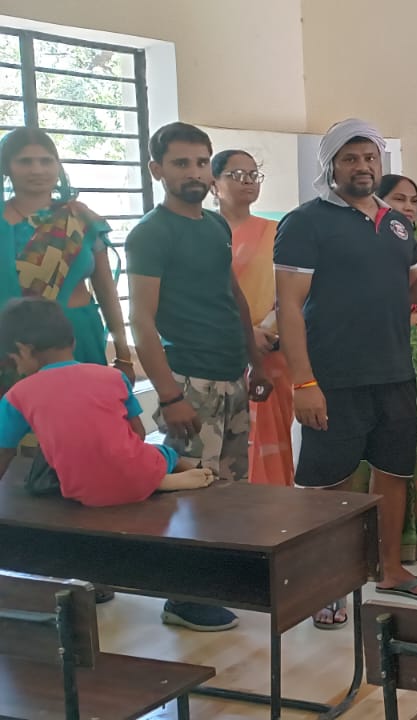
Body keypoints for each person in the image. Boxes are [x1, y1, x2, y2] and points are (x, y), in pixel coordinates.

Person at [275, 119, 417, 629]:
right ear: (330, 166)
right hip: (334, 377)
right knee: (328, 485)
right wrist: (303, 383)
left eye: (369, 158)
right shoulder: (305, 223)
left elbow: (415, 289)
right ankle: (325, 583)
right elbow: (289, 306)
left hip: (394, 374)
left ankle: (389, 570)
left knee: (394, 474)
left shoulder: (396, 225)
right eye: (350, 158)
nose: (362, 167)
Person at [126, 122, 266, 632]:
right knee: (191, 488)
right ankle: (183, 597)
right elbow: (142, 321)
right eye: (181, 163)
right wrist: (169, 396)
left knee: (230, 486)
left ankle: (219, 578)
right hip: (189, 381)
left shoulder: (214, 226)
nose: (194, 173)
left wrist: (255, 361)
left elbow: (233, 297)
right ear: (156, 170)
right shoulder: (150, 233)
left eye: (202, 163)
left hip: (232, 374)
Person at [0, 297, 214, 506]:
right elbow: (138, 433)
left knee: (57, 464)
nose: (17, 369)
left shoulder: (17, 395)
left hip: (83, 490)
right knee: (165, 453)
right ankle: (166, 478)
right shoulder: (113, 376)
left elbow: (3, 453)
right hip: (136, 472)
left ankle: (145, 480)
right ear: (73, 342)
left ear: (23, 350)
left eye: (13, 361)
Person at [343, 174, 417, 563]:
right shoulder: (360, 240)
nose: (408, 207)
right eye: (399, 199)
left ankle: (416, 538)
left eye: (414, 200)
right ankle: (365, 538)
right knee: (370, 435)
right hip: (371, 349)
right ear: (378, 202)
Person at [0, 129, 134, 379]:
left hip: (78, 337)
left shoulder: (81, 219)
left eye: (46, 161)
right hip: (13, 345)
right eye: (25, 161)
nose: (37, 170)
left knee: (82, 402)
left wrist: (123, 354)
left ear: (58, 165)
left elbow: (106, 292)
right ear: (7, 167)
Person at [215, 149, 293, 486]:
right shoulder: (205, 233)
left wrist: (266, 331)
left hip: (271, 348)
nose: (248, 181)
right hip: (221, 348)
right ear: (213, 184)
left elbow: (291, 291)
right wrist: (243, 333)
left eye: (253, 174)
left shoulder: (276, 231)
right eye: (236, 175)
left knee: (274, 434)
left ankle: (276, 500)